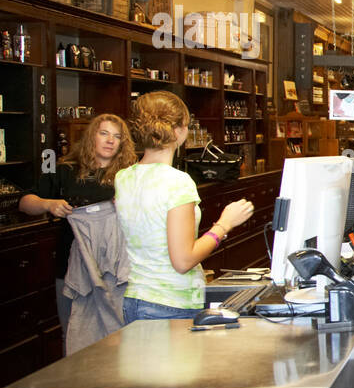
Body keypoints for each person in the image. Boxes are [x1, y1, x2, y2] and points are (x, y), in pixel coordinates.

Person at [114, 91, 254, 322]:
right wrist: (224, 224)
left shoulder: (123, 177)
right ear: (178, 132)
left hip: (136, 299)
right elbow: (183, 261)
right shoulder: (177, 182)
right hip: (171, 303)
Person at [18, 113, 137, 343]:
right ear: (91, 136)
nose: (110, 140)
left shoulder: (129, 176)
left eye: (117, 136)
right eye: (104, 133)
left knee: (118, 335)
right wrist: (48, 204)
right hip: (71, 268)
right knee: (75, 331)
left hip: (116, 271)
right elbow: (24, 202)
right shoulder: (63, 171)